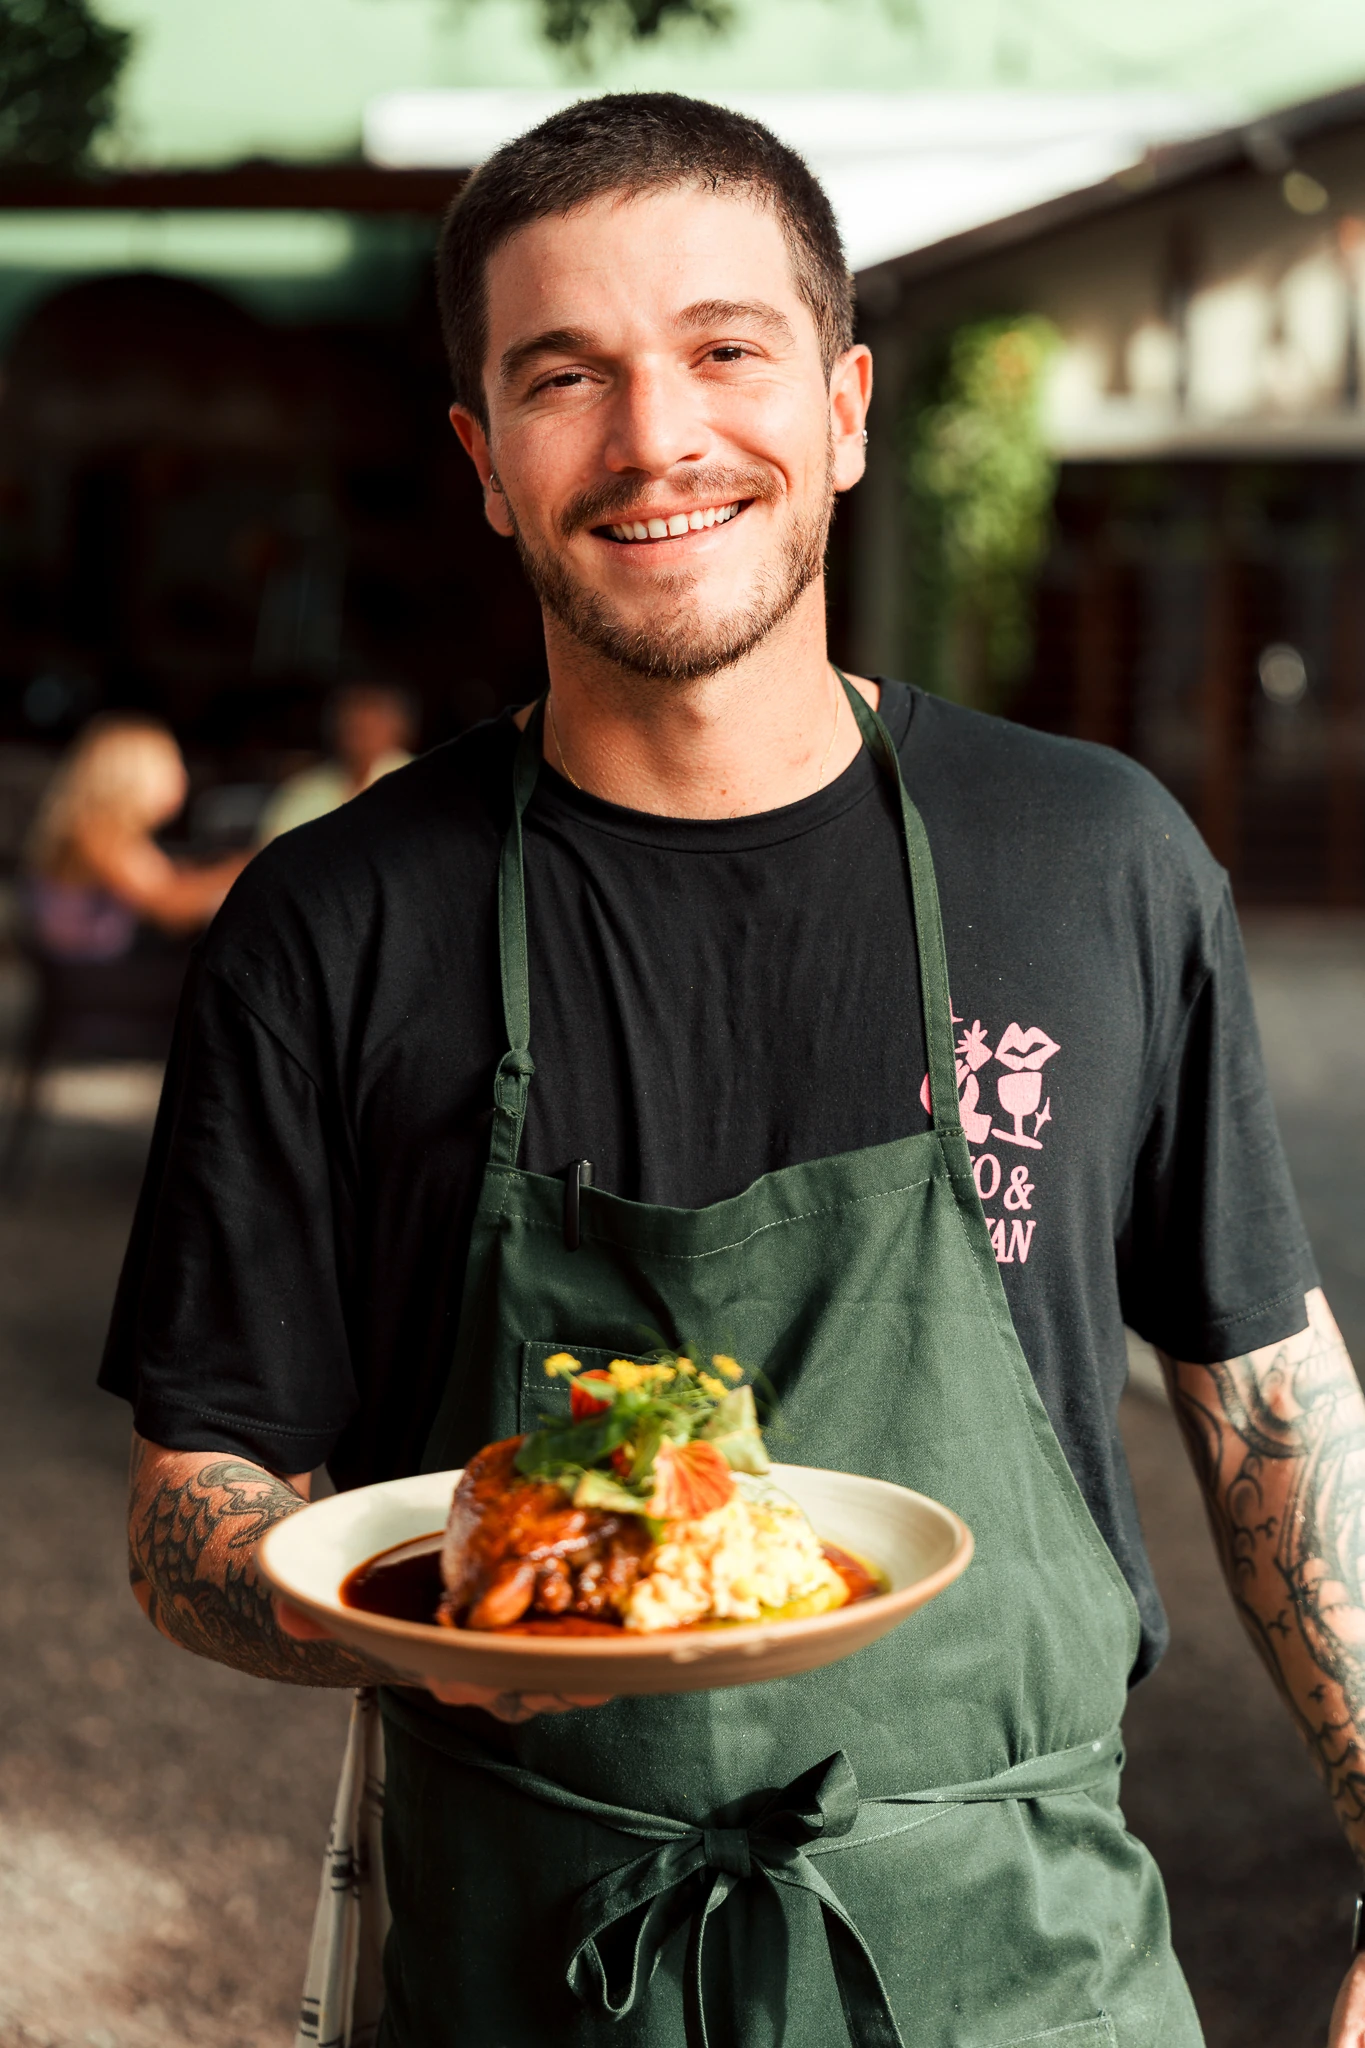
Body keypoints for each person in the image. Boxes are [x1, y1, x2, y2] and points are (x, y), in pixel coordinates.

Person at [99, 94, 1365, 2048]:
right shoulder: (334, 918)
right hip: (527, 1975)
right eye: (563, 377)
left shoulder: (1090, 858)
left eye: (721, 349)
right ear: (485, 467)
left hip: (1020, 1974)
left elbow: (1265, 1399)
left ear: (846, 407)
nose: (655, 437)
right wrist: (423, 1608)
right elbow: (193, 1499)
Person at [24, 712, 245, 954]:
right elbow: (169, 906)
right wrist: (250, 871)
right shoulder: (101, 834)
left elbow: (170, 882)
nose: (183, 777)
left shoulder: (100, 829)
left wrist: (229, 873)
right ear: (133, 776)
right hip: (92, 977)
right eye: (170, 766)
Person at [256, 678, 417, 844]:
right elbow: (269, 851)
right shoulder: (305, 789)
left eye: (371, 723)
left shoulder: (419, 784)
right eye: (351, 722)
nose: (359, 731)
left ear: (400, 728)